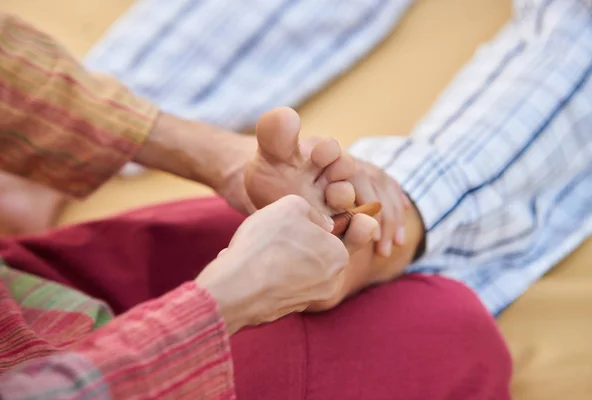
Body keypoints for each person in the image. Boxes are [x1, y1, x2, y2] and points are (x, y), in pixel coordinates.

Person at [0, 13, 512, 400]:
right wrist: (225, 302)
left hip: (24, 304)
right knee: (448, 331)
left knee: (248, 227)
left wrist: (220, 158)